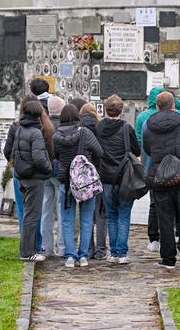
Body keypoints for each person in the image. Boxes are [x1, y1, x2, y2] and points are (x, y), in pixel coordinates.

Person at [143, 91, 180, 268]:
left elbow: (147, 149)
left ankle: (168, 258)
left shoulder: (149, 126)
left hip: (160, 176)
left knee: (165, 219)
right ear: (173, 105)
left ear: (157, 106)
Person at [53, 104, 103, 268]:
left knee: (67, 220)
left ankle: (70, 256)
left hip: (66, 181)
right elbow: (99, 152)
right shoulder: (85, 133)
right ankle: (83, 256)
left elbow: (55, 156)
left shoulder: (56, 137)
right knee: (87, 220)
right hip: (85, 182)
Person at [95, 95, 141, 264]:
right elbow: (136, 150)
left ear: (106, 109)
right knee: (124, 215)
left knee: (111, 215)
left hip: (106, 176)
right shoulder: (126, 128)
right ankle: (121, 253)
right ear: (121, 110)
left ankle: (114, 252)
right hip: (124, 176)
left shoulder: (99, 128)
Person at [11, 100, 55, 262]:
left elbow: (14, 153)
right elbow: (39, 158)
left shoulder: (20, 129)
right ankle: (27, 252)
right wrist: (49, 169)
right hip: (34, 178)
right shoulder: (36, 132)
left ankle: (28, 250)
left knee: (27, 215)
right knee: (32, 216)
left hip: (22, 176)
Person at [4, 95, 43, 251]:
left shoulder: (16, 126)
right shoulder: (41, 127)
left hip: (19, 171)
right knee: (35, 210)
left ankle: (25, 244)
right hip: (36, 172)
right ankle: (36, 245)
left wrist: (16, 163)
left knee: (22, 210)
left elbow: (7, 151)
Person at [136, 87, 164, 252]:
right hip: (168, 166)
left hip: (149, 164)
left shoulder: (142, 117)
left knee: (154, 203)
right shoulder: (174, 116)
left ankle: (153, 238)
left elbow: (139, 140)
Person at [80, 102, 107, 259]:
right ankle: (101, 249)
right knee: (100, 212)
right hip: (98, 172)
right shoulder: (100, 128)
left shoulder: (79, 128)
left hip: (83, 175)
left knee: (86, 214)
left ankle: (89, 248)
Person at [42, 95, 66, 257]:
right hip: (59, 171)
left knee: (46, 210)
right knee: (61, 210)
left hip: (45, 170)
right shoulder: (63, 127)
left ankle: (46, 246)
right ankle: (62, 247)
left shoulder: (43, 126)